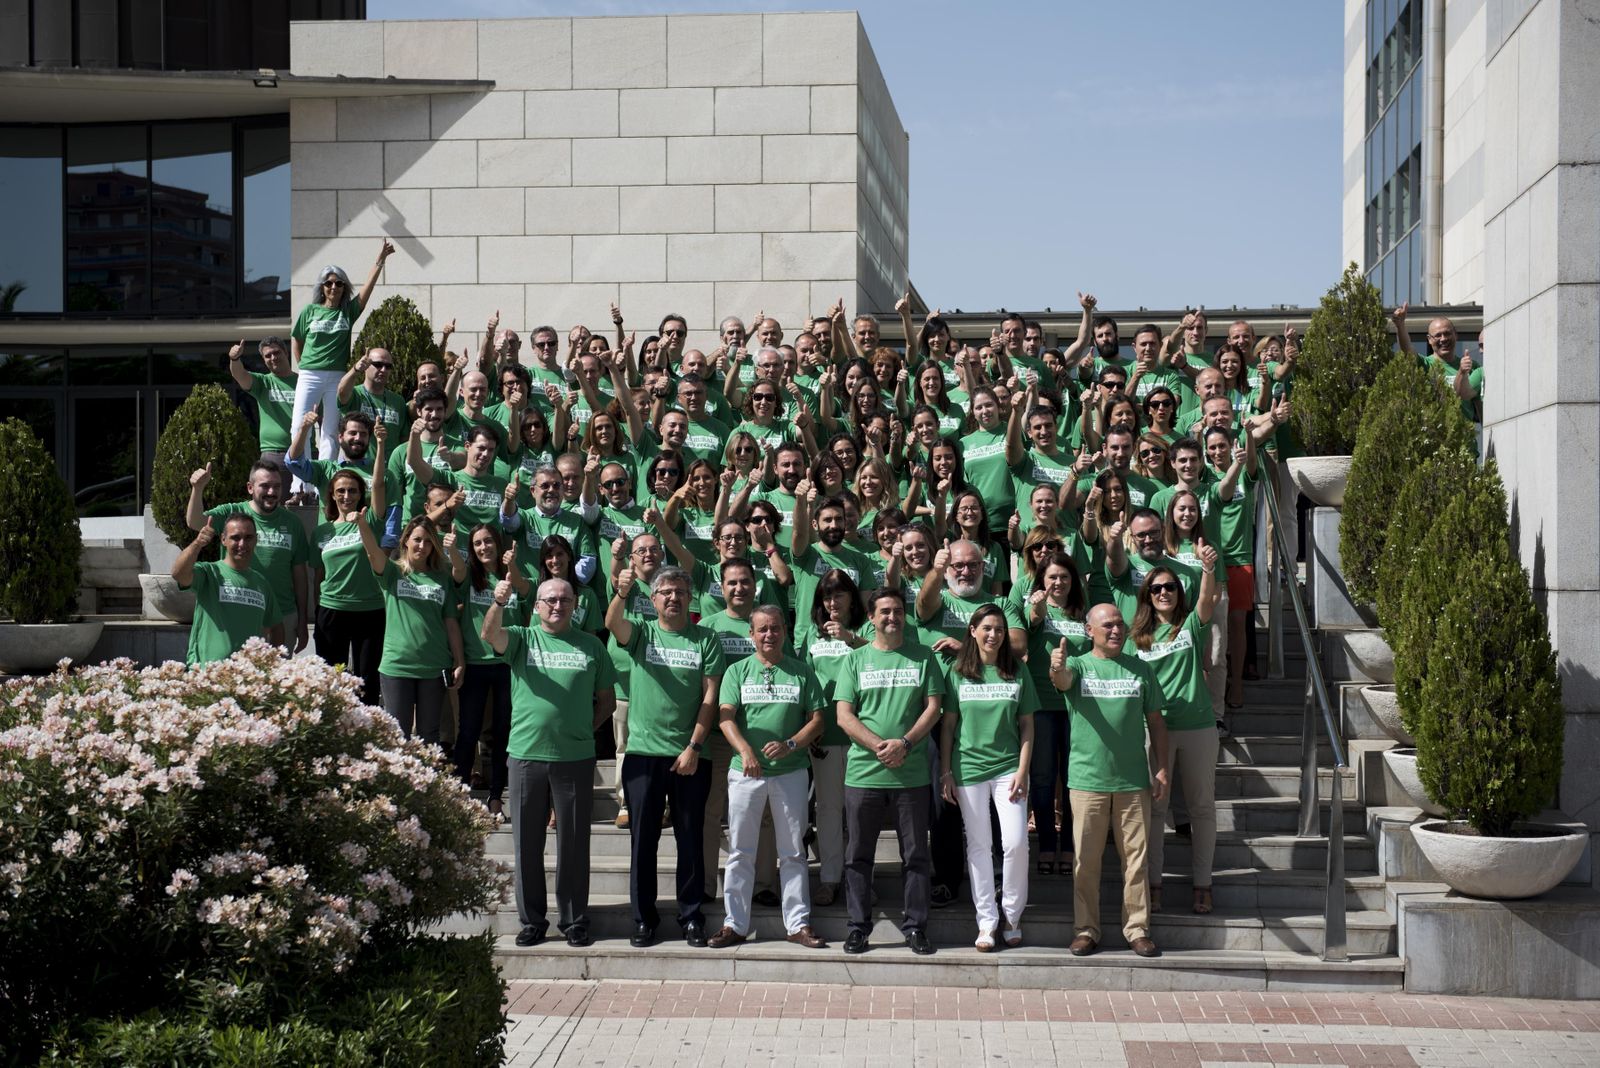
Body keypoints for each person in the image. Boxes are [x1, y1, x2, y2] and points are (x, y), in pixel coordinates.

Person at [482, 576, 616, 949]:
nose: (557, 606)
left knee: (573, 842)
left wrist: (583, 729)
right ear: (537, 606)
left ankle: (574, 919)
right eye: (550, 600)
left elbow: (605, 699)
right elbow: (489, 635)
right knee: (527, 843)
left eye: (564, 600)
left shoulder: (592, 646)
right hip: (526, 755)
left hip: (574, 757)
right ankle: (533, 920)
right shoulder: (522, 638)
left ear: (575, 605)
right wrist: (497, 602)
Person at [605, 565, 726, 949]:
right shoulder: (642, 632)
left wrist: (694, 746)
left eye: (681, 592)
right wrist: (622, 593)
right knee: (644, 841)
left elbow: (710, 696)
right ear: (654, 599)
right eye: (666, 592)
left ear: (691, 599)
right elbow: (612, 622)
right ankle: (644, 919)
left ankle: (691, 916)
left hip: (690, 755)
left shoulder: (705, 639)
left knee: (691, 840)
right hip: (643, 755)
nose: (674, 597)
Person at [1049, 603, 1170, 958]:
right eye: (1108, 626)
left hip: (1133, 782)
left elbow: (1157, 723)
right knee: (1086, 861)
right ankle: (1086, 929)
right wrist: (1056, 668)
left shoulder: (1141, 669)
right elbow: (1062, 680)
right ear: (1089, 631)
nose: (1116, 630)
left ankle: (1138, 929)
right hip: (1087, 781)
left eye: (1120, 624)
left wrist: (1161, 768)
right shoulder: (1079, 665)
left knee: (1136, 860)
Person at [834, 588, 946, 956]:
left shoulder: (923, 657)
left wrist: (905, 744)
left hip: (911, 773)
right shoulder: (855, 660)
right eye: (884, 611)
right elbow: (844, 715)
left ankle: (915, 927)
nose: (892, 617)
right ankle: (857, 927)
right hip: (864, 774)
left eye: (898, 610)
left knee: (915, 855)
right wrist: (879, 746)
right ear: (871, 617)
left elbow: (933, 708)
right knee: (858, 856)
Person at [709, 605, 829, 950]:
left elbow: (817, 719)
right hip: (745, 773)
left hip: (790, 773)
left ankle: (798, 924)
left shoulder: (802, 672)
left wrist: (792, 744)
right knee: (740, 852)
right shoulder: (737, 672)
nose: (769, 635)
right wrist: (746, 751)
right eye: (762, 629)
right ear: (751, 635)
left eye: (775, 628)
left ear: (785, 632)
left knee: (793, 852)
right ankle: (735, 924)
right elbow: (726, 717)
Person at [939, 604, 1037, 951]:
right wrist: (946, 771)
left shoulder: (1016, 671)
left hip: (1008, 769)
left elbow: (1027, 725)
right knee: (979, 846)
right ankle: (986, 921)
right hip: (967, 771)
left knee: (1014, 843)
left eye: (999, 629)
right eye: (987, 628)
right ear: (973, 631)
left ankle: (1012, 913)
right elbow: (948, 726)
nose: (994, 635)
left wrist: (1023, 770)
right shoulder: (957, 672)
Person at [1130, 545, 1222, 916]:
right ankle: (1154, 884)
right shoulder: (1137, 639)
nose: (1164, 593)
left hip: (1198, 726)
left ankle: (1203, 883)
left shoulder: (1191, 626)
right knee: (1155, 810)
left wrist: (1208, 568)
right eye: (1156, 589)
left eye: (1169, 587)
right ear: (1147, 596)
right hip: (1156, 732)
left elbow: (1206, 598)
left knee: (1202, 808)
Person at [355, 511, 465, 745]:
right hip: (398, 666)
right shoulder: (392, 573)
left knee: (429, 736)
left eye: (428, 541)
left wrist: (459, 661)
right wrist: (363, 524)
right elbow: (373, 552)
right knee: (397, 735)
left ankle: (428, 783)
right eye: (417, 539)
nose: (422, 546)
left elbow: (451, 622)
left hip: (434, 667)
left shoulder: (441, 578)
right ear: (406, 540)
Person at [185, 458, 310, 654]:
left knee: (277, 681)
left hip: (283, 616)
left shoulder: (292, 523)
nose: (272, 492)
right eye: (265, 486)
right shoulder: (232, 514)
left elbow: (300, 576)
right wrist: (197, 489)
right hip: (241, 613)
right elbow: (195, 522)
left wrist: (302, 621)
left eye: (277, 486)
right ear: (250, 488)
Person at [290, 240, 394, 474]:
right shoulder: (309, 311)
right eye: (328, 283)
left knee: (330, 430)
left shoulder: (348, 311)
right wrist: (303, 365)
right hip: (310, 374)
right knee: (299, 426)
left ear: (343, 286)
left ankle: (324, 479)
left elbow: (366, 291)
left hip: (338, 376)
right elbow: (297, 339)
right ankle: (300, 484)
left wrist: (380, 261)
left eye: (338, 283)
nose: (333, 287)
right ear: (322, 286)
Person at [1022, 552, 1091, 876]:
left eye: (1064, 576)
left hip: (1077, 707)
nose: (1058, 582)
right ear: (1042, 582)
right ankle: (1047, 843)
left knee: (1073, 779)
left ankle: (1071, 847)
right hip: (1042, 706)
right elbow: (1032, 620)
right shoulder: (1034, 608)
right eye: (1052, 577)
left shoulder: (1082, 613)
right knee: (1044, 779)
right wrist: (1036, 606)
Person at [454, 526, 529, 822]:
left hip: (507, 666)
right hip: (474, 664)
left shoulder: (512, 575)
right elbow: (456, 573)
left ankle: (496, 797)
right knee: (469, 732)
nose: (484, 547)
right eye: (477, 543)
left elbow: (525, 605)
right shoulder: (470, 578)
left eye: (488, 541)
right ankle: (458, 795)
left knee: (502, 735)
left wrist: (512, 567)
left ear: (498, 544)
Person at [312, 467, 385, 704]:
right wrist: (317, 610)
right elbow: (318, 575)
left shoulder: (370, 520)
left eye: (352, 491)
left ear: (361, 494)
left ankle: (368, 735)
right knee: (332, 679)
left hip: (369, 611)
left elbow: (379, 485)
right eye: (340, 491)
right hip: (332, 610)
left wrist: (381, 443)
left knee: (367, 682)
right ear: (332, 494)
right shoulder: (322, 532)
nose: (346, 496)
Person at [172, 513, 282, 665]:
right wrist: (197, 543)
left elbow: (276, 626)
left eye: (248, 538)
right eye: (235, 538)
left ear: (256, 540)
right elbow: (178, 574)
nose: (242, 544)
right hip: (207, 674)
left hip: (248, 679)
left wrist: (272, 664)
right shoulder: (209, 573)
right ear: (223, 539)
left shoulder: (262, 583)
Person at [226, 336, 297, 469]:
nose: (273, 358)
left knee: (306, 491)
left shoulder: (304, 383)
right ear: (264, 360)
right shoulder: (263, 382)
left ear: (286, 353)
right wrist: (234, 359)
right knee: (272, 491)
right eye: (268, 355)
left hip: (304, 452)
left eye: (276, 352)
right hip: (273, 454)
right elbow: (240, 375)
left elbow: (322, 418)